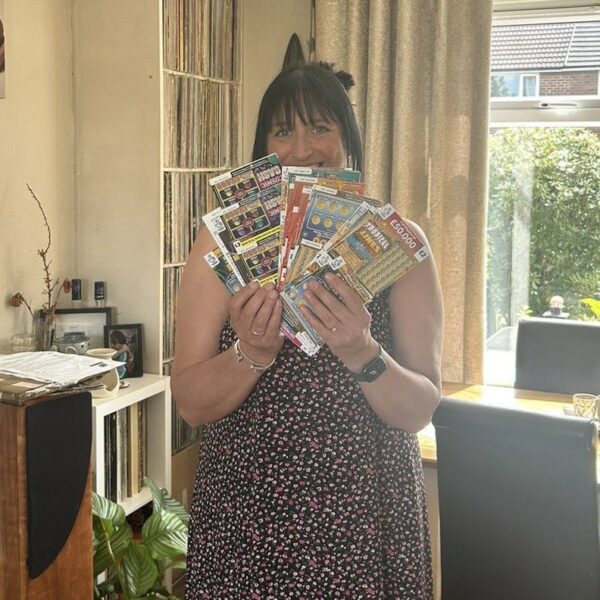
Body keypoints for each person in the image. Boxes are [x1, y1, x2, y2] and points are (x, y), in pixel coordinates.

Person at [172, 61, 443, 599]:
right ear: (262, 148)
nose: (301, 149)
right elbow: (191, 405)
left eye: (320, 127)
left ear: (348, 138)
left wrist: (362, 350)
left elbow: (420, 410)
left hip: (364, 515)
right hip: (248, 514)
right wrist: (251, 351)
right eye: (283, 131)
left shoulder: (398, 244)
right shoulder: (221, 242)